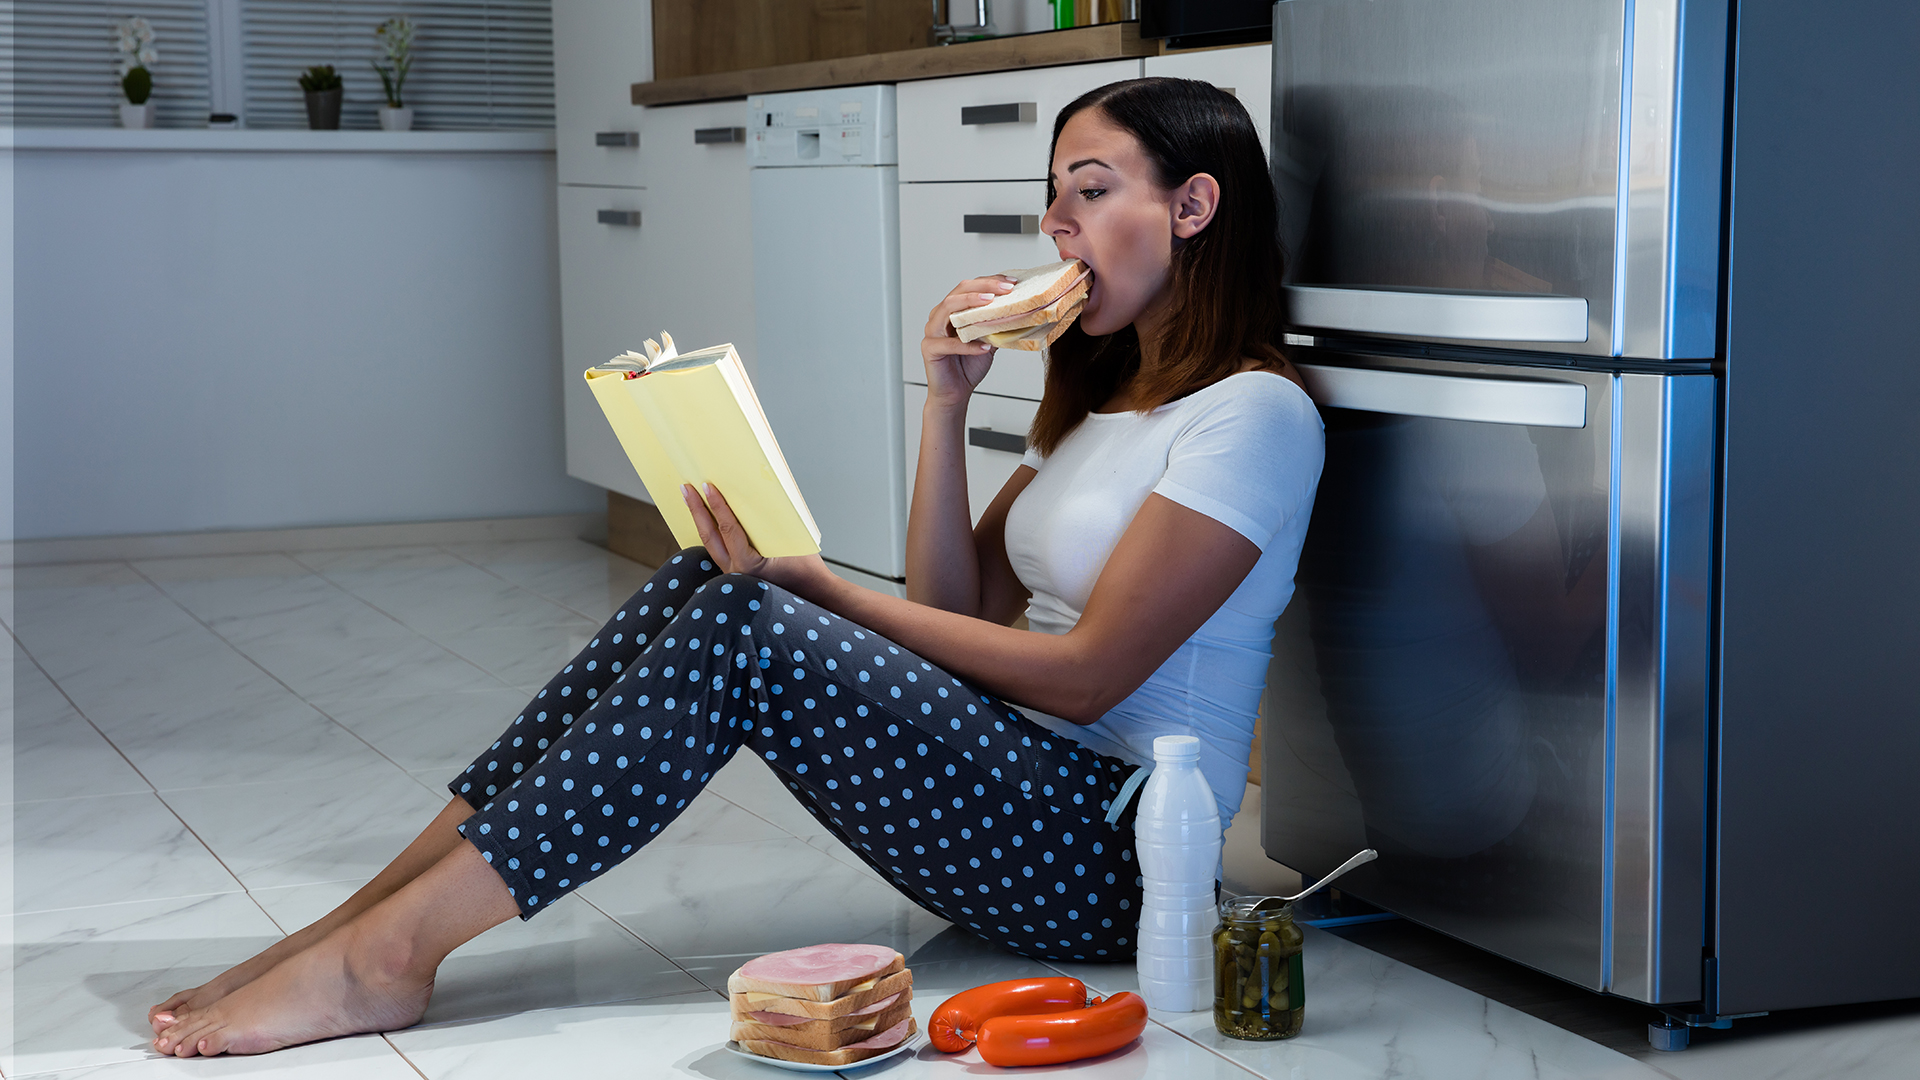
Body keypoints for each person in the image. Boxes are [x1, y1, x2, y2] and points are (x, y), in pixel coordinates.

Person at [145, 76, 1325, 1059]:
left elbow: (1083, 678)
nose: (1057, 225)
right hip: (1019, 797)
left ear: (1194, 205)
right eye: (1051, 198)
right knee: (703, 584)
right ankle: (364, 921)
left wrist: (818, 584)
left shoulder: (1255, 416)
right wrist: (944, 409)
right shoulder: (1104, 404)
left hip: (1115, 864)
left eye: (1093, 190)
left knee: (757, 615)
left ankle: (388, 958)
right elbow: (949, 614)